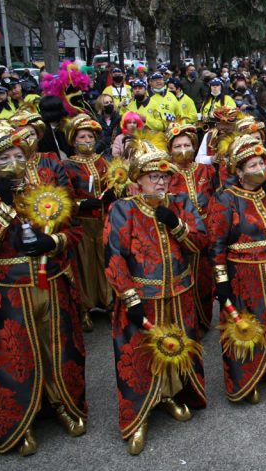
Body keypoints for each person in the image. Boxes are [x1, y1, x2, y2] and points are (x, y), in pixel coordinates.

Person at [104, 134, 208, 455]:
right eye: (154, 177)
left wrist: (177, 225)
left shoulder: (180, 204)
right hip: (142, 298)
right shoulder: (123, 209)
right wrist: (129, 298)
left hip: (179, 294)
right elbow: (113, 257)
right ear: (139, 180)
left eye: (164, 176)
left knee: (175, 348)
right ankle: (138, 417)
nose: (161, 182)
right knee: (139, 356)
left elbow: (201, 242)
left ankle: (170, 396)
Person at [0, 121, 86, 457]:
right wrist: (4, 207)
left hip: (52, 283)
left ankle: (61, 401)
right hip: (9, 292)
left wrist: (53, 240)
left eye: (18, 155)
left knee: (58, 347)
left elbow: (73, 231)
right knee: (16, 355)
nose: (13, 163)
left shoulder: (43, 192)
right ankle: (22, 419)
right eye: (4, 157)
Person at [208, 135, 266, 402]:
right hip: (246, 277)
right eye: (252, 165)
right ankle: (249, 376)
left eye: (262, 163)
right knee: (252, 325)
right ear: (238, 171)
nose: (260, 169)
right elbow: (215, 245)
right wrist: (221, 283)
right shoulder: (226, 199)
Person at [63, 114, 115, 332]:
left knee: (106, 261)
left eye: (90, 137)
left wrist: (114, 191)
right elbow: (63, 198)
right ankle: (85, 307)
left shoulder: (103, 161)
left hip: (104, 221)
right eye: (82, 137)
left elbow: (114, 182)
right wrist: (83, 203)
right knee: (84, 264)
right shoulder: (67, 165)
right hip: (83, 224)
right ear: (74, 141)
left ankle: (109, 301)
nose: (86, 140)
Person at [167, 123, 217, 335]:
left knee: (204, 279)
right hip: (179, 234)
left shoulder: (205, 170)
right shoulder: (166, 173)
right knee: (182, 280)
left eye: (187, 145)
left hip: (205, 231)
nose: (183, 150)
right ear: (170, 150)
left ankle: (203, 319)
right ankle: (186, 322)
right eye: (177, 146)